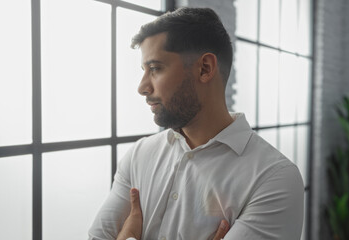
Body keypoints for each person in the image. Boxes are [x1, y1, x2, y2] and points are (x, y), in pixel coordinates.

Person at [88, 7, 304, 240]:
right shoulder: (139, 155)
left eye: (155, 69)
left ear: (205, 68)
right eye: (144, 70)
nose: (142, 87)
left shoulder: (274, 179)